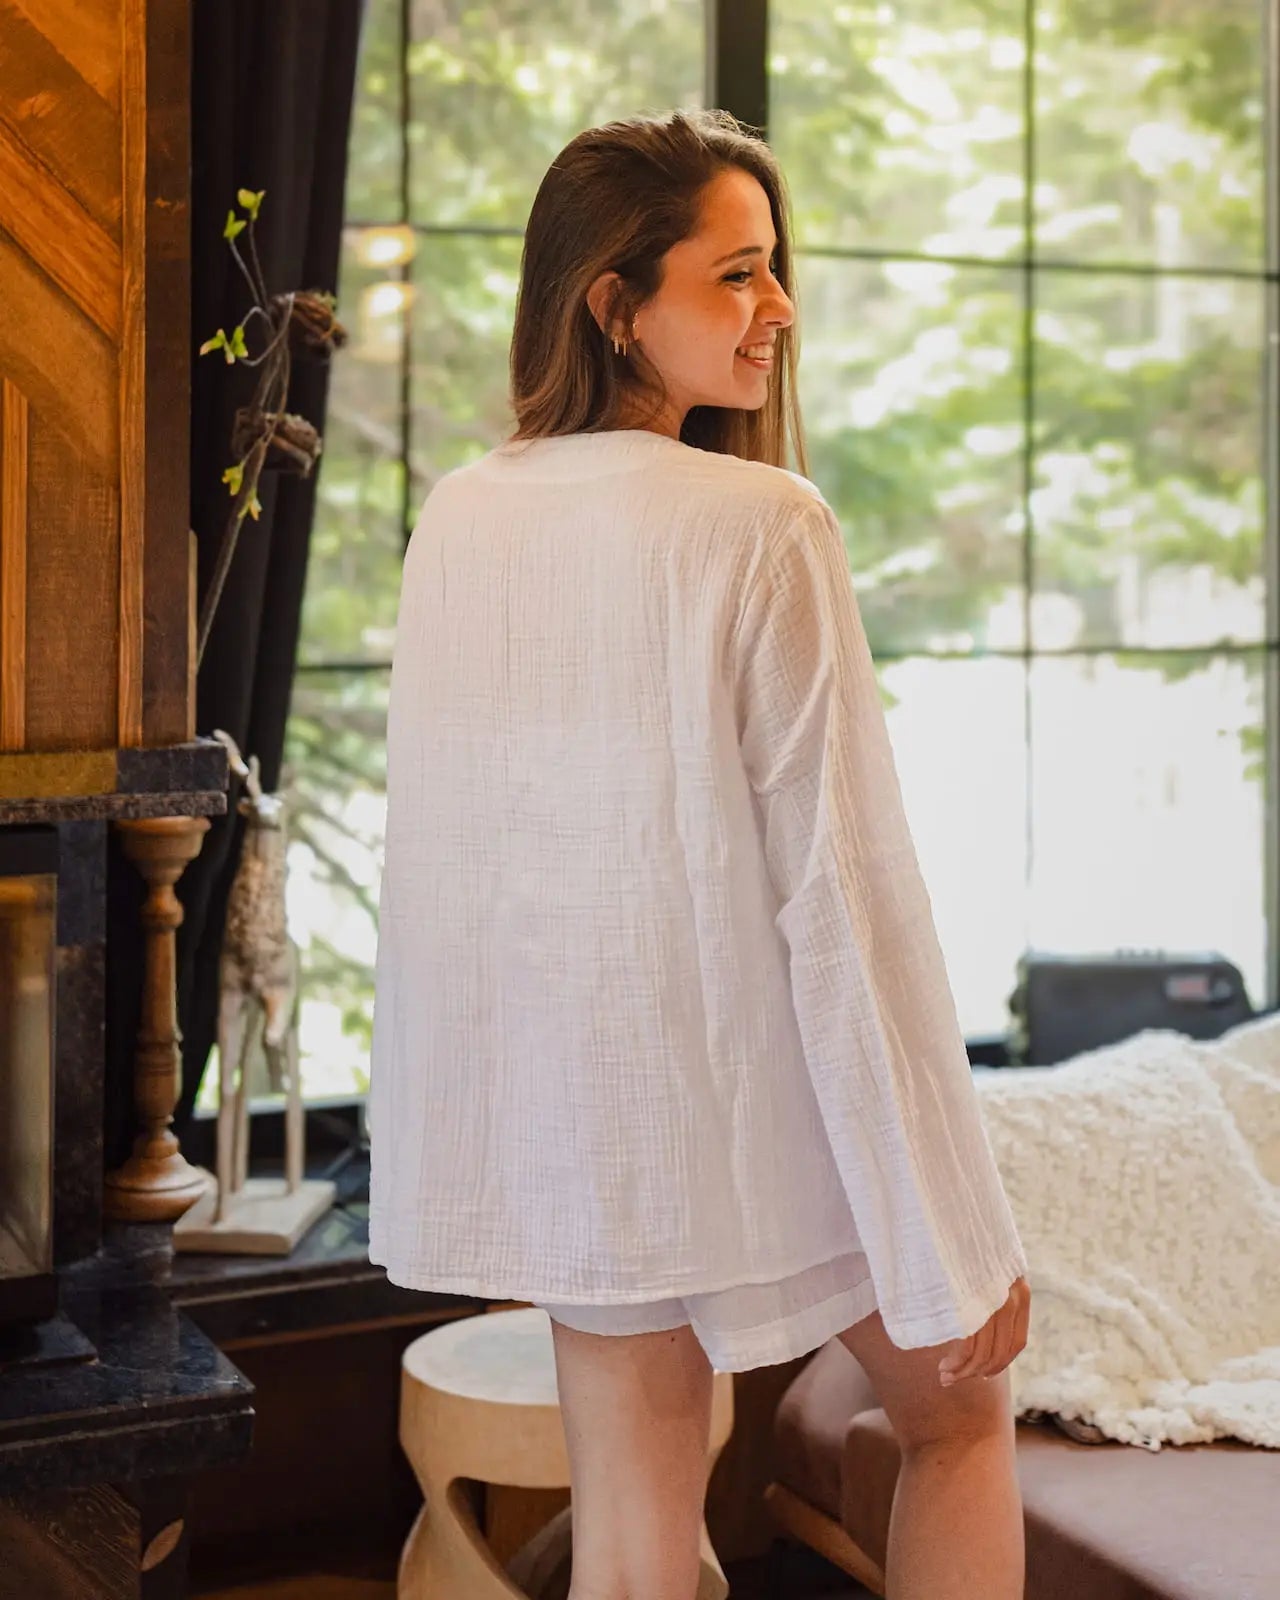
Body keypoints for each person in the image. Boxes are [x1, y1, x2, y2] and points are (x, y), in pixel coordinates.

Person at [368, 107, 1030, 1600]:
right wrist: (948, 1218)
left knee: (634, 1537)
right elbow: (844, 898)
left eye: (775, 270)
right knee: (960, 1416)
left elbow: (457, 876)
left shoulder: (460, 516)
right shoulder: (759, 525)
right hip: (753, 1100)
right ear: (615, 302)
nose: (779, 309)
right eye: (737, 275)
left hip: (590, 1127)